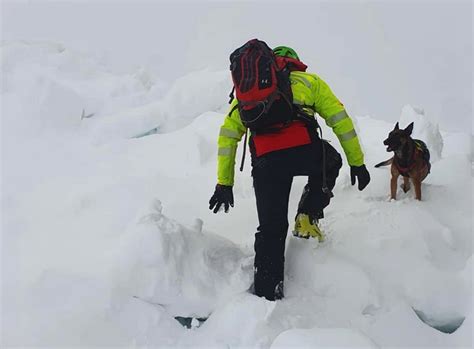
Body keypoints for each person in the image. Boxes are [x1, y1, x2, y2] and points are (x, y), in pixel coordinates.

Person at [209, 44, 370, 301]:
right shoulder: (309, 81)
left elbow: (228, 136)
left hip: (266, 163)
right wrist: (357, 162)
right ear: (295, 61)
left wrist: (224, 183)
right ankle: (307, 215)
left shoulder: (249, 93)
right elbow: (341, 120)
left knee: (271, 229)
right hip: (304, 152)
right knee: (331, 161)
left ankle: (266, 296)